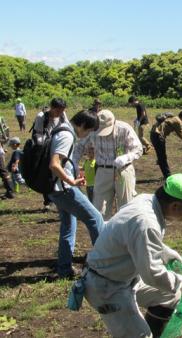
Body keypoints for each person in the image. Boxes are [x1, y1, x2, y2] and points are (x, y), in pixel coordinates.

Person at [84, 174, 182, 338]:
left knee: (169, 295)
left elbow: (134, 238)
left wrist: (165, 253)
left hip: (124, 277)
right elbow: (153, 275)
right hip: (107, 286)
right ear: (175, 205)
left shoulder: (146, 200)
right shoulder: (147, 222)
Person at [48, 109, 104, 278]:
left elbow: (61, 162)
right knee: (95, 218)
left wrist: (74, 170)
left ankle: (64, 269)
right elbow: (54, 164)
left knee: (68, 225)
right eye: (88, 131)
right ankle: (105, 264)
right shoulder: (67, 135)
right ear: (82, 125)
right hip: (64, 189)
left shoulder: (62, 128)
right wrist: (71, 181)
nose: (87, 135)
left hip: (55, 188)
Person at [73, 110, 143, 220]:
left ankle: (125, 234)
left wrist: (126, 158)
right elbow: (79, 147)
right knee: (99, 208)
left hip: (123, 170)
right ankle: (103, 234)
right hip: (103, 170)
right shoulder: (92, 130)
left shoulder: (124, 128)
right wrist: (74, 163)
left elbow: (138, 149)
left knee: (126, 205)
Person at [32, 99, 68, 211]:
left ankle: (60, 197)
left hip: (58, 146)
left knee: (59, 171)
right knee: (46, 173)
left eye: (62, 111)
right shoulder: (41, 116)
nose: (60, 113)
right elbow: (38, 134)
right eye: (58, 111)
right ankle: (48, 201)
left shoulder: (62, 115)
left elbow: (66, 126)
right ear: (51, 107)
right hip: (45, 147)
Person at [150, 110, 182, 179]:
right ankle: (167, 176)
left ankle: (163, 168)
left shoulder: (174, 118)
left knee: (162, 156)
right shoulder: (178, 121)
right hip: (158, 136)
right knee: (163, 158)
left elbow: (176, 132)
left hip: (154, 134)